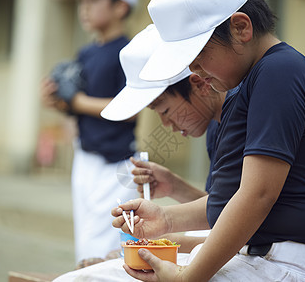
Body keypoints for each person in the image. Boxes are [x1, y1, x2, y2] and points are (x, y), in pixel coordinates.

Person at [110, 0, 305, 281]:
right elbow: (229, 201)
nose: (196, 70)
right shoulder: (249, 83)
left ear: (241, 27)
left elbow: (258, 194)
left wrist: (188, 277)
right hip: (255, 257)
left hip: (276, 264)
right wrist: (164, 218)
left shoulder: (279, 70)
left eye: (199, 56)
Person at [53, 24, 226, 282]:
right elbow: (223, 212)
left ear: (199, 83)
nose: (167, 125)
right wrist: (176, 188)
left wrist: (160, 237)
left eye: (165, 110)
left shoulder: (241, 116)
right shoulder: (215, 128)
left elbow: (240, 224)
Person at [40, 0, 139, 265]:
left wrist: (76, 101)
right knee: (86, 243)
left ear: (120, 6)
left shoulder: (128, 51)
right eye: (82, 0)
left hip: (116, 164)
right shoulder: (85, 53)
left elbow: (129, 108)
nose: (84, 7)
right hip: (85, 156)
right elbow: (76, 108)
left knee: (106, 247)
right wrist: (56, 101)